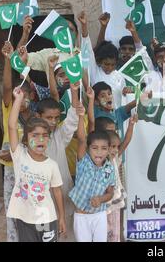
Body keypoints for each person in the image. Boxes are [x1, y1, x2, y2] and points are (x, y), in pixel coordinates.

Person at [7, 87, 66, 242]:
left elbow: (57, 192)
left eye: (45, 136)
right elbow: (12, 126)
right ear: (26, 139)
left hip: (47, 218)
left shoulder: (52, 165)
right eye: (35, 135)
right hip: (24, 219)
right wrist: (18, 100)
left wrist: (61, 217)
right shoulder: (20, 155)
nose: (41, 139)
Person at [35, 82, 82, 238]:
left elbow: (72, 119)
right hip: (42, 198)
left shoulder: (59, 136)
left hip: (63, 192)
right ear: (38, 117)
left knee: (65, 232)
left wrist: (74, 92)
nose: (53, 122)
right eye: (49, 118)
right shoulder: (30, 142)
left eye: (56, 118)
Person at [0, 41, 34, 242]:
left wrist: (24, 68)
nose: (21, 97)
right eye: (17, 94)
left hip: (30, 170)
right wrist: (7, 61)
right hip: (12, 169)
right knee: (12, 209)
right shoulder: (9, 107)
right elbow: (6, 86)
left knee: (30, 209)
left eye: (25, 94)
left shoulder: (35, 115)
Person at [69, 131, 116, 242]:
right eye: (95, 148)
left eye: (104, 148)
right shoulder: (83, 161)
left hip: (99, 215)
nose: (99, 152)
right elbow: (81, 139)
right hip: (81, 216)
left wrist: (100, 199)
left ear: (109, 149)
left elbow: (110, 193)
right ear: (88, 148)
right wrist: (81, 116)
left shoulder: (110, 169)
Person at [105, 117, 137, 242]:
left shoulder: (115, 158)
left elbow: (127, 141)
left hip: (115, 204)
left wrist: (131, 124)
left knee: (115, 234)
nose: (115, 150)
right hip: (103, 206)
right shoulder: (97, 163)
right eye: (112, 146)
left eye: (117, 147)